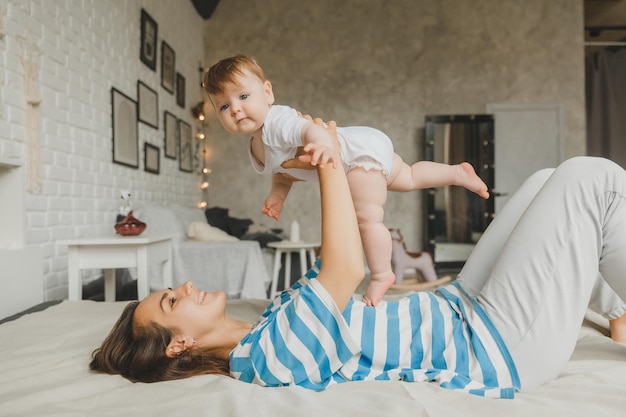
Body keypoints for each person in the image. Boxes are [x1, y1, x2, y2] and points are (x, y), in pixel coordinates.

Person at [91, 116, 626, 398]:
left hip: (459, 307)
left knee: (543, 183)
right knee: (591, 177)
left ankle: (617, 313)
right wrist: (328, 158)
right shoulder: (267, 359)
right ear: (178, 344)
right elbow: (345, 269)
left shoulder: (265, 326)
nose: (182, 287)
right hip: (493, 345)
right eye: (170, 301)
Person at [202, 54, 490, 306]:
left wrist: (324, 146)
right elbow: (282, 173)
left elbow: (309, 131)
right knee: (410, 175)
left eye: (242, 97)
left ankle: (380, 274)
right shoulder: (257, 145)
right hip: (367, 143)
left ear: (267, 93)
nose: (235, 109)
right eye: (223, 107)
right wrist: (277, 195)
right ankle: (456, 173)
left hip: (355, 156)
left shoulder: (277, 122)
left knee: (366, 218)